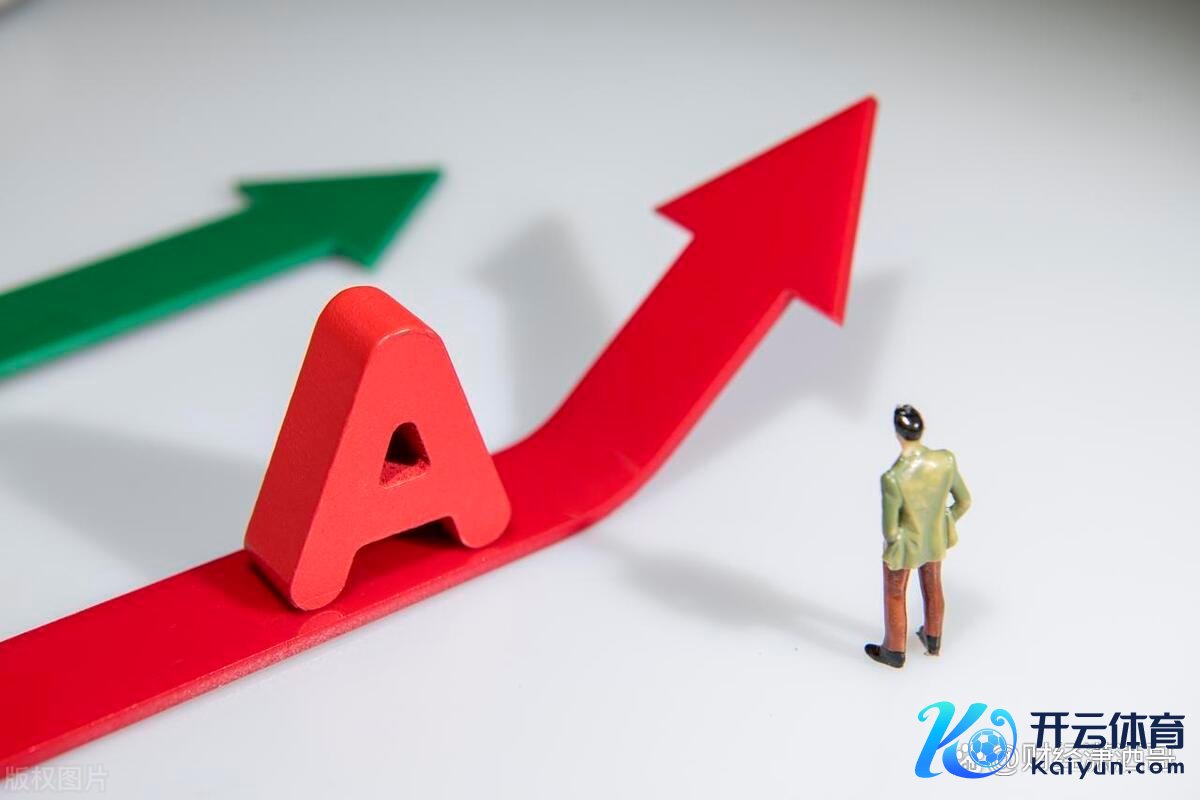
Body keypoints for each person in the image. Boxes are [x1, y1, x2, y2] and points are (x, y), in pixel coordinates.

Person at [865, 405, 971, 668]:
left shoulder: (893, 478)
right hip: (934, 537)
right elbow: (964, 501)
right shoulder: (945, 461)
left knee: (895, 592)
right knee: (933, 583)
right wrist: (944, 521)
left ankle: (894, 649)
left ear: (897, 434)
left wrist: (894, 542)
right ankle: (933, 638)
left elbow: (890, 530)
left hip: (906, 544)